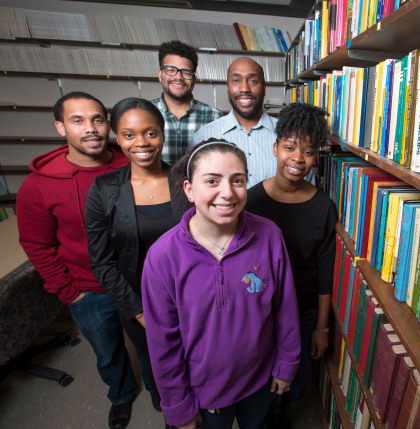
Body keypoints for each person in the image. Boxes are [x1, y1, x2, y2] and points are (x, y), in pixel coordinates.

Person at [141, 140, 301, 429]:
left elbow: (285, 308)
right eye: (212, 180)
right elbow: (162, 343)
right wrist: (179, 408)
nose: (227, 193)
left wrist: (286, 365)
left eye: (237, 180)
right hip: (204, 393)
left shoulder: (269, 235)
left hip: (259, 381)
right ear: (189, 190)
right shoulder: (163, 257)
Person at [16, 92, 138, 429]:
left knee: (153, 344)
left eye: (98, 120)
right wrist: (69, 292)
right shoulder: (38, 185)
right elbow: (36, 244)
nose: (91, 129)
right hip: (88, 290)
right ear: (60, 127)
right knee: (108, 352)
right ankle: (122, 395)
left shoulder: (133, 163)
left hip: (138, 282)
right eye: (78, 120)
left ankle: (164, 393)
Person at [85, 98, 187, 419]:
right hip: (138, 304)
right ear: (117, 137)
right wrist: (139, 311)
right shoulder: (104, 189)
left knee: (196, 364)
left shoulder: (185, 183)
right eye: (129, 135)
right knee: (159, 368)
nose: (141, 143)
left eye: (150, 133)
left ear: (163, 133)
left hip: (190, 298)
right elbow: (103, 262)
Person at [245, 103, 336, 429]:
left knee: (293, 381)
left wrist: (321, 327)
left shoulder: (324, 206)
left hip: (303, 311)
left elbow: (325, 269)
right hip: (257, 310)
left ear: (316, 157)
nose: (298, 158)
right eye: (289, 147)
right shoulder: (250, 202)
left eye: (308, 151)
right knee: (258, 383)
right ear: (275, 147)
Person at [190, 57, 313, 188]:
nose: (244, 88)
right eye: (236, 80)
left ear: (264, 88)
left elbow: (305, 192)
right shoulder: (203, 136)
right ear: (228, 88)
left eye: (253, 81)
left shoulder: (289, 135)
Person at [151, 40, 223, 164]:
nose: (178, 77)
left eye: (186, 72)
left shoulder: (215, 117)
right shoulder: (145, 113)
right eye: (171, 70)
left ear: (194, 79)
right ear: (160, 74)